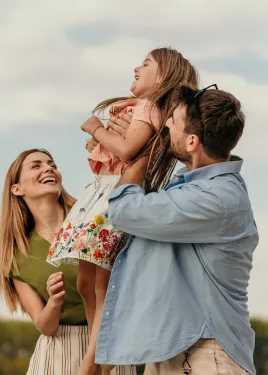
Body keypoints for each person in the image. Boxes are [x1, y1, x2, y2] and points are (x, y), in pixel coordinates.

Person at [47, 47, 199, 374]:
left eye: (145, 64)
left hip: (112, 199)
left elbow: (129, 150)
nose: (136, 67)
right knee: (87, 284)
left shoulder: (148, 106)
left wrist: (96, 129)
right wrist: (104, 140)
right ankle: (98, 354)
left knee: (101, 288)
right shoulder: (141, 108)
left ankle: (93, 365)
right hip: (102, 195)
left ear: (163, 75)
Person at [95, 85, 258, 375]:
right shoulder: (192, 186)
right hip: (177, 349)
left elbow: (124, 210)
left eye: (173, 122)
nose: (165, 125)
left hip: (207, 354)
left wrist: (142, 154)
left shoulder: (215, 198)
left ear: (193, 141)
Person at [0, 149, 135, 374]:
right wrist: (53, 301)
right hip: (57, 354)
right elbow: (45, 326)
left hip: (107, 344)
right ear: (17, 189)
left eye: (51, 164)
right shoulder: (17, 255)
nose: (48, 168)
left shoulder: (94, 219)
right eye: (36, 165)